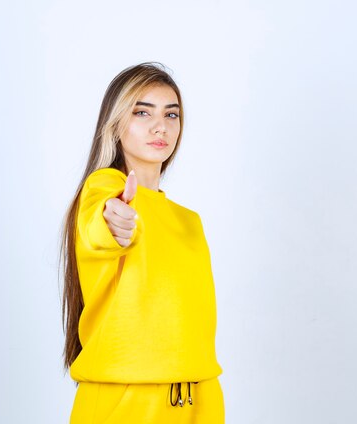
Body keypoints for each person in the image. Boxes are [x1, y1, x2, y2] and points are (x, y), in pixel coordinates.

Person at [59, 62, 224, 423]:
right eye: (142, 112)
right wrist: (113, 222)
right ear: (116, 123)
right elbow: (98, 225)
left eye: (171, 114)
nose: (160, 126)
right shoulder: (105, 189)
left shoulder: (189, 221)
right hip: (128, 399)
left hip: (198, 395)